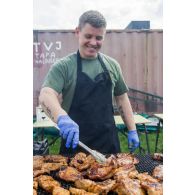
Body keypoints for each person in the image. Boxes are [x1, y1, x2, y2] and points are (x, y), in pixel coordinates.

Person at [39, 10, 140, 155]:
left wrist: (132, 130)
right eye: (88, 36)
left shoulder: (112, 65)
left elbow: (122, 98)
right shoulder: (64, 66)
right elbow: (46, 94)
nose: (93, 42)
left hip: (108, 144)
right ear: (77, 32)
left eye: (99, 38)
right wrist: (61, 117)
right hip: (74, 144)